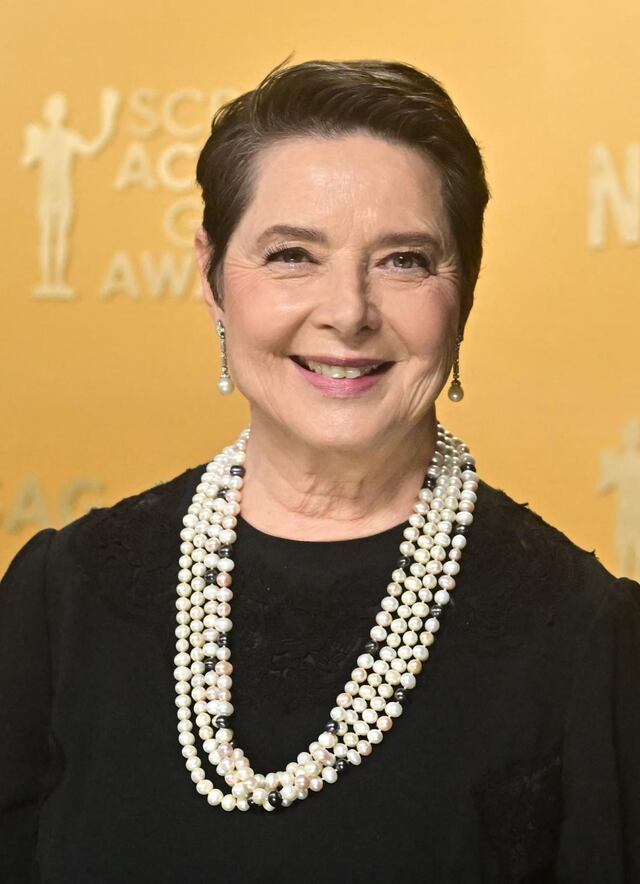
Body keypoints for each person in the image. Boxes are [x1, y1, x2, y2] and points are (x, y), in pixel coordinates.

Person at [1, 58, 639, 884]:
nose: (347, 311)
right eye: (293, 254)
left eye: (404, 260)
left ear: (466, 291)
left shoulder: (592, 645)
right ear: (210, 276)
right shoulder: (61, 602)